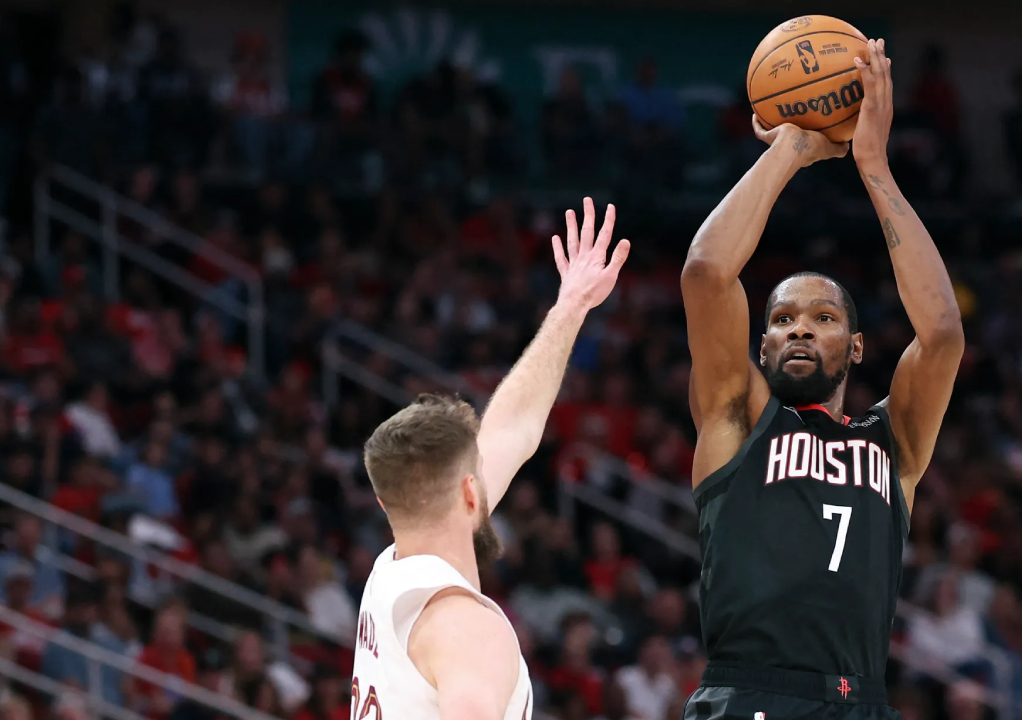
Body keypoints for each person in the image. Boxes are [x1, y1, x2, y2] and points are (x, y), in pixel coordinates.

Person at [680, 38, 963, 719]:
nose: (800, 328)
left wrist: (875, 168)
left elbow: (944, 333)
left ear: (857, 345)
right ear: (764, 343)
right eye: (781, 318)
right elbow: (707, 273)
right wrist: (790, 149)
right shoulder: (739, 418)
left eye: (823, 315)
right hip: (751, 693)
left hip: (861, 702)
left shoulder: (891, 441)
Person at [351, 198, 630, 720]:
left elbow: (511, 429)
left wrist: (570, 307)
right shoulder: (465, 629)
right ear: (469, 491)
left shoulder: (388, 574)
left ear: (383, 500)